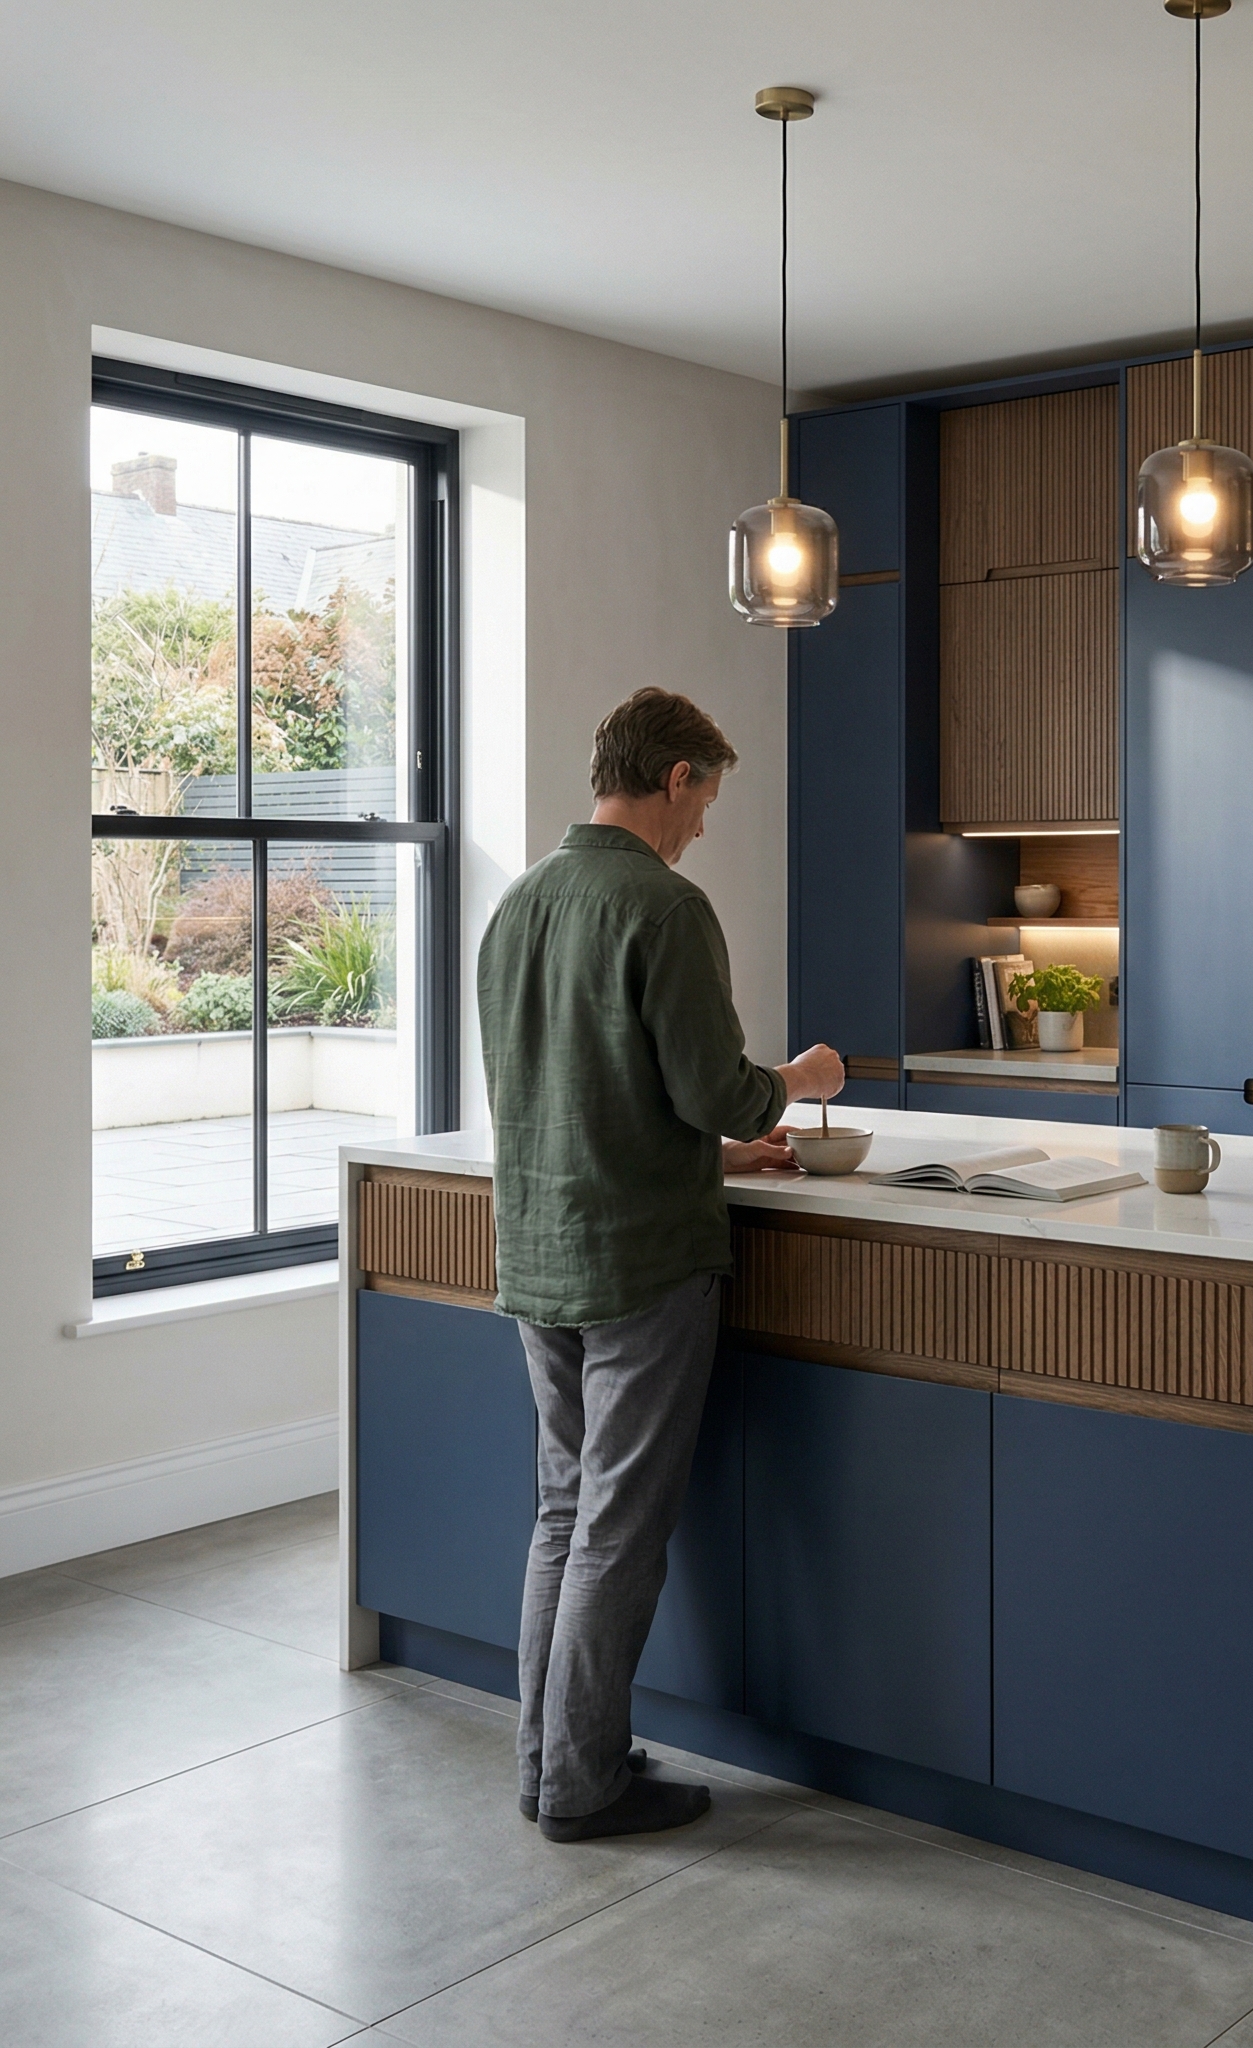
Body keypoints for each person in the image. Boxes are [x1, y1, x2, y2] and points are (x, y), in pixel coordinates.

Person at [477, 685, 843, 1842]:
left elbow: (579, 1090)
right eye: (704, 801)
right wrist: (800, 1079)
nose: (700, 827)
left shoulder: (519, 901)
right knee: (617, 1530)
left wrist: (719, 1152)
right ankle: (583, 1783)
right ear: (674, 776)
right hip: (641, 1259)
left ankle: (548, 1764)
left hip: (541, 1249)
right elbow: (714, 1088)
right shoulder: (664, 905)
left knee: (562, 1514)